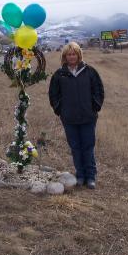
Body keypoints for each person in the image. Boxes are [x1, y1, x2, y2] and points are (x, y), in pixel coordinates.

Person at [48, 42, 104, 189]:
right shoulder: (59, 75)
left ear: (79, 55)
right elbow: (53, 94)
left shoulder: (90, 71)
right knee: (75, 147)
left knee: (88, 146)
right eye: (69, 54)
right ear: (65, 57)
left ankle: (90, 177)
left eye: (74, 54)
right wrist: (60, 109)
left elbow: (98, 90)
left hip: (88, 117)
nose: (72, 57)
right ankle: (80, 175)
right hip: (69, 118)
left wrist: (95, 106)